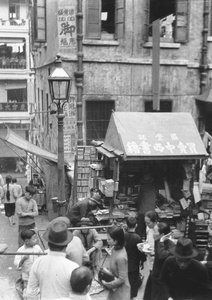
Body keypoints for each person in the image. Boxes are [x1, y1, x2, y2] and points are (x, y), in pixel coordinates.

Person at [26, 219, 79, 299]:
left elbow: (31, 292)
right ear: (66, 245)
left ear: (48, 243)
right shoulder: (73, 267)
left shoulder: (38, 262)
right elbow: (79, 296)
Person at [101, 225, 130, 300]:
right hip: (114, 289)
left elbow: (122, 279)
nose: (107, 240)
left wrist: (107, 284)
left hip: (120, 293)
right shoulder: (114, 248)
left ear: (116, 240)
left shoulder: (121, 257)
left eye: (109, 239)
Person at [151, 222, 175, 300]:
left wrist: (161, 241)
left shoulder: (171, 246)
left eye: (155, 231)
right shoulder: (157, 241)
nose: (153, 233)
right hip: (155, 276)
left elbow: (162, 256)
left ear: (162, 235)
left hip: (163, 281)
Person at [124, 216, 146, 300]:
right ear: (136, 225)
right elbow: (140, 252)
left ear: (126, 224)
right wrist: (143, 261)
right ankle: (132, 297)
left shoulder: (123, 235)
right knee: (133, 281)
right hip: (134, 264)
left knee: (125, 280)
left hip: (125, 262)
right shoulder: (137, 238)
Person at [139, 210, 158, 300]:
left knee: (153, 284)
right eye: (145, 222)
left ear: (155, 221)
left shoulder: (159, 232)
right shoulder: (149, 229)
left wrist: (151, 252)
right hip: (150, 259)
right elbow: (148, 240)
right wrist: (143, 245)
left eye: (148, 223)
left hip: (156, 261)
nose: (147, 225)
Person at [136, 173, 157, 239]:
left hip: (142, 211)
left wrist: (137, 208)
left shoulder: (142, 188)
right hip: (151, 213)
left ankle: (139, 243)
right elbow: (161, 198)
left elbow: (138, 200)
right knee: (148, 231)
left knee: (139, 230)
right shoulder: (154, 188)